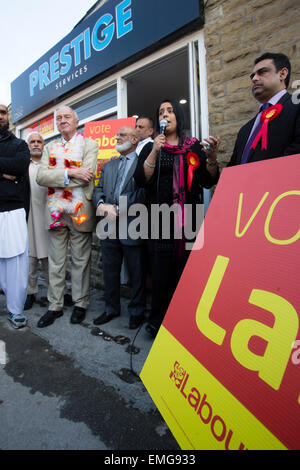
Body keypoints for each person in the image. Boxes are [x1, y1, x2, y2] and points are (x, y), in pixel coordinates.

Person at [134, 99, 220, 337]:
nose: (165, 114)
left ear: (178, 116)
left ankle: (185, 322)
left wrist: (211, 158)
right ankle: (158, 321)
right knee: (160, 272)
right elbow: (141, 180)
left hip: (190, 219)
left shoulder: (193, 146)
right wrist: (154, 149)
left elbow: (208, 180)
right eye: (161, 111)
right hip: (159, 219)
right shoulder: (151, 147)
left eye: (170, 111)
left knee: (187, 272)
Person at [36, 106, 98, 327]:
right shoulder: (49, 147)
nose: (62, 120)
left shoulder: (90, 145)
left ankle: (80, 303)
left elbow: (86, 177)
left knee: (81, 260)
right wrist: (69, 172)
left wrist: (58, 177)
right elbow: (41, 177)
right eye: (58, 118)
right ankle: (55, 305)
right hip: (55, 211)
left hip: (80, 209)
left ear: (76, 120)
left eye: (67, 117)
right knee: (56, 261)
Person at [93, 126, 146, 329]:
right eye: (117, 135)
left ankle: (137, 312)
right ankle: (111, 309)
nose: (117, 137)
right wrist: (101, 205)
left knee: (136, 272)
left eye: (121, 135)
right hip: (108, 226)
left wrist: (118, 207)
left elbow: (143, 193)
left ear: (133, 140)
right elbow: (98, 189)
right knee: (110, 271)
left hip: (132, 224)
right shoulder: (109, 166)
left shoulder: (143, 165)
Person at [228, 52, 300, 166]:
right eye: (252, 76)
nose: (254, 79)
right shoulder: (244, 131)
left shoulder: (296, 106)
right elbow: (233, 168)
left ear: (282, 74)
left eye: (262, 72)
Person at [0, 104, 30, 328]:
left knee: (15, 261)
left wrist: (13, 172)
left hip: (12, 209)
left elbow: (20, 166)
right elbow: (11, 168)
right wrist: (4, 172)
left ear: (7, 117)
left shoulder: (19, 144)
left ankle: (15, 310)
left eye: (2, 112)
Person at [23, 132, 49, 310]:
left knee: (50, 259)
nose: (36, 144)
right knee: (30, 259)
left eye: (39, 141)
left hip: (48, 216)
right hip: (28, 216)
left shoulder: (51, 164)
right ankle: (30, 293)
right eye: (32, 141)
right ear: (28, 145)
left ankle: (53, 294)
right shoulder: (23, 166)